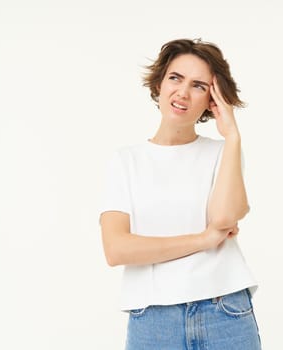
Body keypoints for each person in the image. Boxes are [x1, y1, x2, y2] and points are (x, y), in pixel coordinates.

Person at [98, 38, 261, 350]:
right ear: (160, 83)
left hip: (224, 310)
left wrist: (233, 135)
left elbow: (225, 217)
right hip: (153, 318)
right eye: (175, 78)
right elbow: (116, 249)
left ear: (212, 101)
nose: (183, 92)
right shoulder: (126, 161)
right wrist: (203, 240)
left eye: (199, 85)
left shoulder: (223, 152)